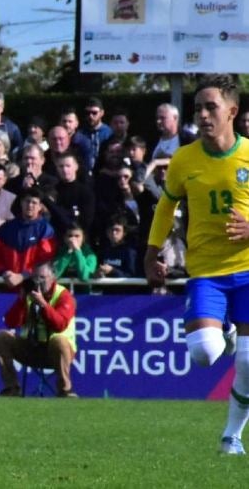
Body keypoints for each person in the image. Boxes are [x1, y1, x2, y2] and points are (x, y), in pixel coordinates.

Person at [144, 75, 249, 455]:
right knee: (205, 351)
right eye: (198, 109)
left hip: (248, 270)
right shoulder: (185, 159)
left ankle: (231, 437)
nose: (203, 115)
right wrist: (151, 251)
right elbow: (166, 206)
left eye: (211, 107)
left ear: (232, 112)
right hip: (206, 272)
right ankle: (230, 335)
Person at [0, 262, 78, 397]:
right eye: (36, 278)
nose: (39, 282)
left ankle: (65, 390)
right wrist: (21, 300)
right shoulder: (28, 294)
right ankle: (11, 388)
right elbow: (11, 322)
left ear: (53, 277)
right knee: (1, 337)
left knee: (59, 341)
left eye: (43, 278)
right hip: (32, 349)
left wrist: (43, 304)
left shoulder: (63, 296)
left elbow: (60, 324)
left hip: (56, 353)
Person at [0, 188, 57, 286]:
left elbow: (46, 260)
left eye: (34, 202)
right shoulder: (5, 228)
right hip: (7, 285)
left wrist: (23, 276)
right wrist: (4, 272)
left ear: (40, 206)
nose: (30, 205)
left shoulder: (46, 230)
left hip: (34, 286)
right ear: (21, 203)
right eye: (27, 201)